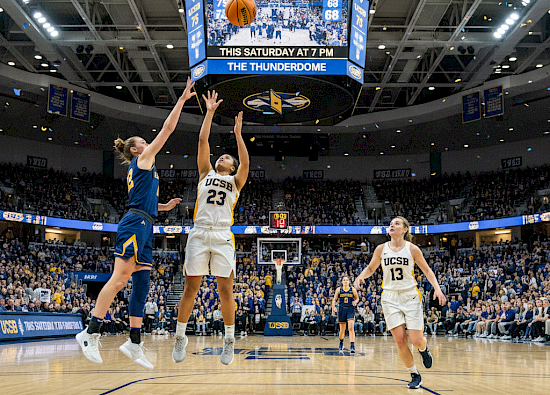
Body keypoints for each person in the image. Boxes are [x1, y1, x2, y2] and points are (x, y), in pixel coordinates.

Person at [76, 77, 195, 368]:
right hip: (134, 224)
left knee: (141, 284)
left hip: (145, 222)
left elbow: (144, 197)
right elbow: (167, 129)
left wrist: (163, 206)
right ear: (136, 150)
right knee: (120, 279)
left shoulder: (143, 167)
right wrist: (181, 100)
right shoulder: (143, 160)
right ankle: (89, 333)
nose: (149, 143)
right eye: (144, 142)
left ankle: (135, 341)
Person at [172, 90, 249, 366]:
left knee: (225, 290)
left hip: (221, 235)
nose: (222, 158)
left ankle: (229, 340)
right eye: (222, 156)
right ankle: (180, 336)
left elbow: (246, 162)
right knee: (190, 288)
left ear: (233, 166)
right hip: (199, 232)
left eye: (228, 158)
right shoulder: (205, 173)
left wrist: (238, 135)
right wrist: (210, 112)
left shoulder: (237, 181)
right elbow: (202, 139)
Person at [354, 216, 447, 389]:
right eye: (391, 223)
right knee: (399, 340)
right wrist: (361, 276)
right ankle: (414, 374)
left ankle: (423, 349)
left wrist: (437, 288)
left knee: (416, 339)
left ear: (405, 229)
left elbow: (427, 270)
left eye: (397, 223)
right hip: (389, 297)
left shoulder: (412, 249)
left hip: (410, 295)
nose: (392, 225)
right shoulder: (381, 249)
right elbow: (371, 268)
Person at [332, 276, 359, 353]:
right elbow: (334, 299)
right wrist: (333, 308)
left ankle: (352, 345)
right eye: (344, 280)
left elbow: (357, 298)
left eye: (347, 280)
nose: (345, 281)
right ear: (342, 282)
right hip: (341, 309)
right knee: (342, 330)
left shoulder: (352, 289)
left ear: (349, 281)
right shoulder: (339, 289)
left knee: (351, 328)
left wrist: (355, 302)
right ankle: (341, 342)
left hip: (350, 309)